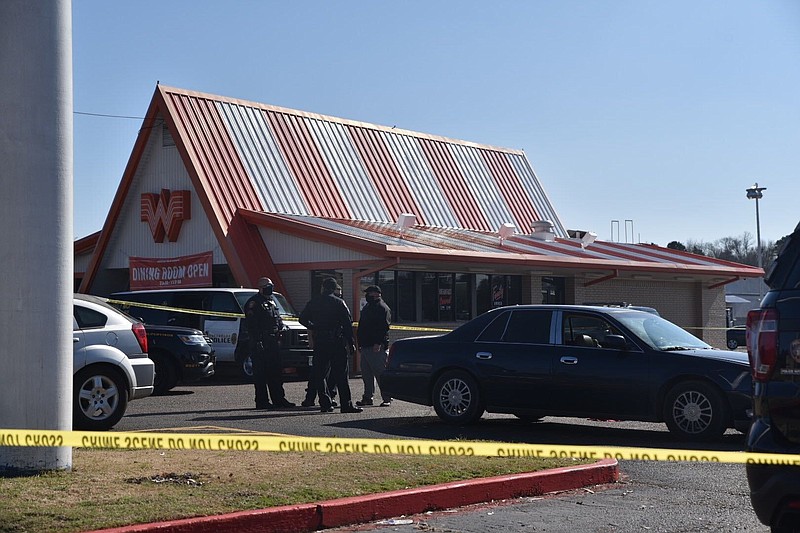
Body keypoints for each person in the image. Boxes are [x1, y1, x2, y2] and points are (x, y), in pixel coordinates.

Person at [299, 277, 362, 413]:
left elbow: (302, 319)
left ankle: (325, 404)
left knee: (320, 374)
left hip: (321, 341)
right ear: (334, 289)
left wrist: (314, 327)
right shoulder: (339, 303)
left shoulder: (313, 302)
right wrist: (351, 343)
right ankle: (346, 404)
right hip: (337, 342)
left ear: (323, 287)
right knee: (341, 375)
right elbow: (347, 324)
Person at [244, 277, 295, 409]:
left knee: (275, 372)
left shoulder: (272, 302)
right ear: (261, 288)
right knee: (261, 374)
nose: (270, 288)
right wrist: (257, 341)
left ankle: (279, 399)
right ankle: (262, 402)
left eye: (271, 286)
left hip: (273, 342)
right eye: (268, 286)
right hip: (260, 342)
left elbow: (277, 319)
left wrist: (281, 327)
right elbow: (251, 325)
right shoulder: (254, 303)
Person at [301, 285, 340, 407]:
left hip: (330, 341)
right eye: (336, 293)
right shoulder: (320, 303)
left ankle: (327, 397)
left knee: (328, 373)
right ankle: (312, 398)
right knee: (318, 372)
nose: (338, 296)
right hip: (323, 341)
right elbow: (307, 321)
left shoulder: (336, 303)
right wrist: (311, 337)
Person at [356, 285, 392, 407]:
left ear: (376, 294)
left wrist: (378, 343)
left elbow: (384, 328)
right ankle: (367, 397)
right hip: (366, 345)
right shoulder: (368, 307)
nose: (367, 296)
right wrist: (360, 344)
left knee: (380, 373)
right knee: (366, 374)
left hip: (376, 347)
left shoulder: (382, 308)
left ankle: (387, 397)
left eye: (369, 293)